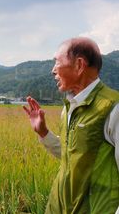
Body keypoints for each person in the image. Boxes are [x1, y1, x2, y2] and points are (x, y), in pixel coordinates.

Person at [23, 37, 119, 213]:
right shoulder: (68, 107)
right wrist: (44, 133)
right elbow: (73, 155)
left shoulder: (114, 108)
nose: (53, 70)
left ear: (79, 65)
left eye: (57, 62)